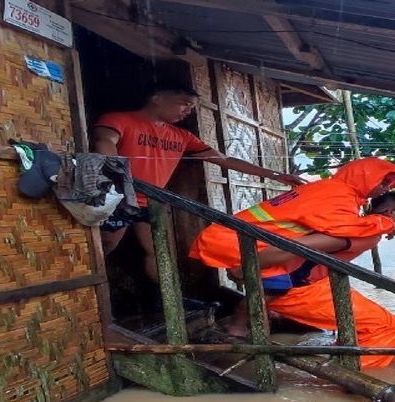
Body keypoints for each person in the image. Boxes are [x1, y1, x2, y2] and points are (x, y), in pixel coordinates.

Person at [92, 82, 305, 284]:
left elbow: (224, 160)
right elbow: (104, 141)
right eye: (184, 103)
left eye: (191, 107)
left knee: (160, 252)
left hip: (152, 201)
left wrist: (275, 174)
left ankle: (168, 300)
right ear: (157, 98)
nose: (187, 111)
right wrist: (120, 180)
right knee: (106, 242)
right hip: (119, 196)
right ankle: (92, 285)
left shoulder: (182, 136)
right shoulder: (119, 119)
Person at [190, 158, 395, 334]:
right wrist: (384, 222)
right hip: (236, 240)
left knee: (271, 288)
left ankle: (253, 320)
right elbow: (346, 228)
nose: (387, 187)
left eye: (390, 184)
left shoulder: (335, 192)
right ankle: (238, 326)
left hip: (240, 237)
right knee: (275, 288)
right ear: (364, 177)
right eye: (384, 181)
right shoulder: (336, 195)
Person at [224, 192, 395, 368]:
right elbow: (296, 246)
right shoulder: (365, 231)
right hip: (298, 287)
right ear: (391, 213)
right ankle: (358, 374)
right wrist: (245, 268)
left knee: (376, 323)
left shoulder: (355, 224)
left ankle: (343, 358)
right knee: (389, 327)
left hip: (307, 283)